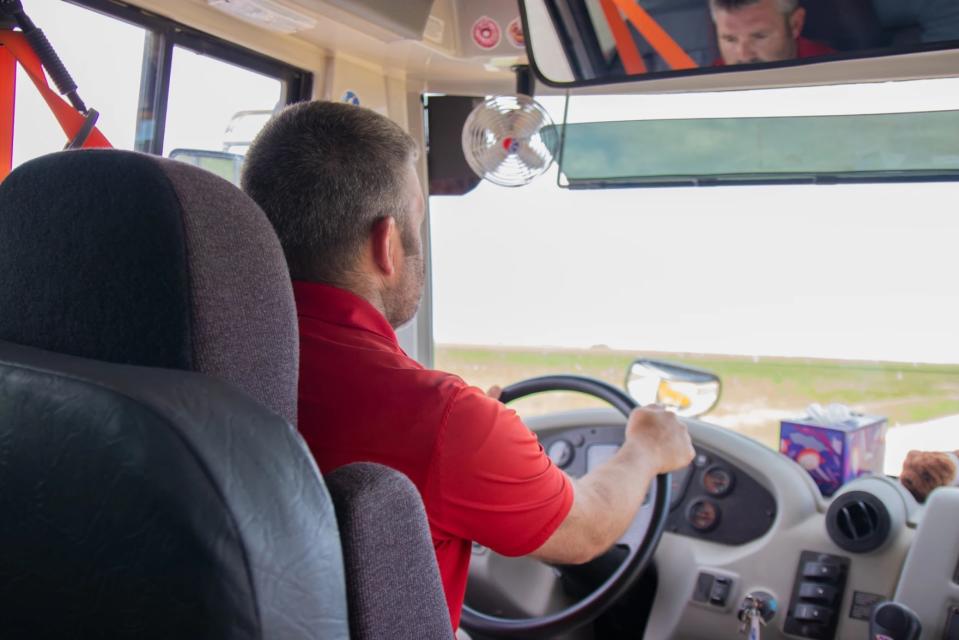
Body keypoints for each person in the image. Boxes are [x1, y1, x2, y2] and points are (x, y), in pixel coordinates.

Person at [241, 101, 695, 631]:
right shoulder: (443, 419)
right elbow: (589, 531)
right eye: (418, 224)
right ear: (386, 243)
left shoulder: (206, 364)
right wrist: (645, 448)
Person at [710, 0, 834, 65]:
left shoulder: (835, 72)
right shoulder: (706, 83)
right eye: (730, 39)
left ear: (795, 24)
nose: (744, 56)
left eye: (759, 36)